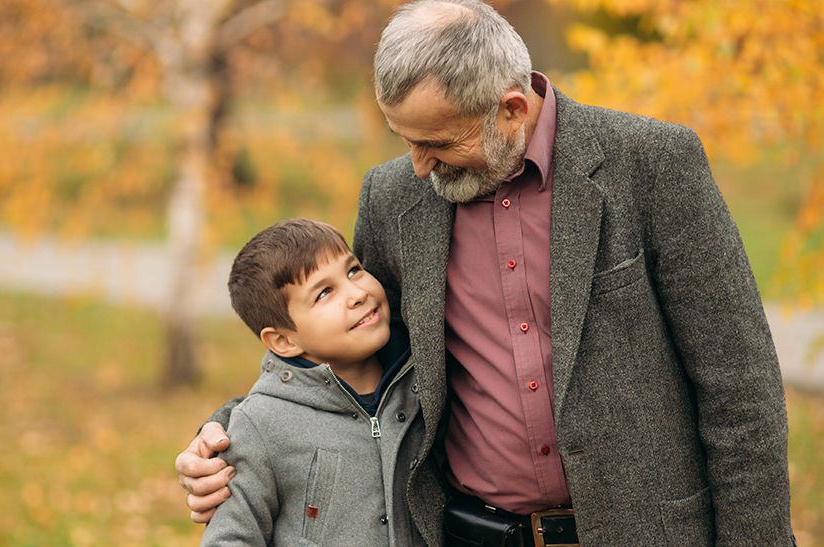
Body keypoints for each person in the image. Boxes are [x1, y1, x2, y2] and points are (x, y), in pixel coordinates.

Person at [177, 1, 796, 545]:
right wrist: (234, 428)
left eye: (439, 145)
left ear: (511, 108)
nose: (418, 167)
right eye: (405, 140)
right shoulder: (391, 197)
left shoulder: (654, 163)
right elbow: (360, 352)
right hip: (471, 534)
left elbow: (740, 388)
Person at [199, 218, 425, 546]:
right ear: (283, 341)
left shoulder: (422, 381)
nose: (357, 294)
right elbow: (230, 538)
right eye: (324, 293)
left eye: (353, 270)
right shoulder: (262, 424)